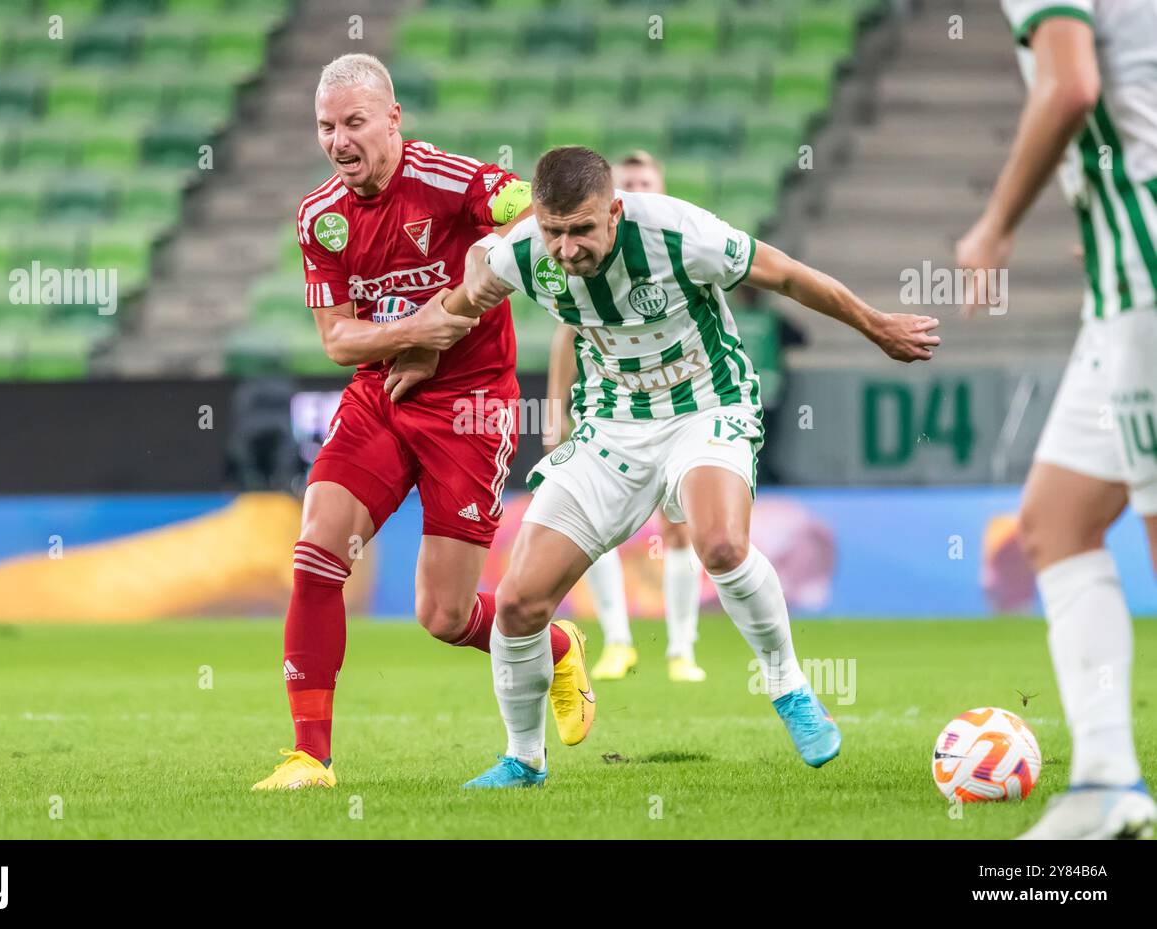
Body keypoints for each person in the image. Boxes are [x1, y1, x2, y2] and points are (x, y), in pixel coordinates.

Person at [395, 146, 939, 787]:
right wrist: (422, 352)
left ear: (614, 213)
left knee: (720, 544)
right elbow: (464, 300)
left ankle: (788, 686)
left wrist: (877, 326)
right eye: (553, 231)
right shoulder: (523, 254)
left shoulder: (680, 234)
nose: (566, 249)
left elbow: (786, 275)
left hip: (706, 406)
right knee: (517, 603)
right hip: (612, 428)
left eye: (580, 230)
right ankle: (524, 758)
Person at [252, 55, 594, 791]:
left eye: (354, 123)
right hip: (381, 397)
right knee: (316, 552)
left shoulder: (452, 182)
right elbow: (339, 340)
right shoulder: (321, 219)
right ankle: (311, 756)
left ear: (393, 118)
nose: (339, 141)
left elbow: (541, 214)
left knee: (442, 614)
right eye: (325, 127)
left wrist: (469, 291)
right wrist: (420, 332)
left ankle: (557, 644)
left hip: (470, 408)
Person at [957, 0, 1157, 838]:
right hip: (1123, 266)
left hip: (1143, 270)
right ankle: (1108, 780)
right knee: (1055, 520)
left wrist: (994, 225)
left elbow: (1070, 84)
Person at [547, 150, 708, 683]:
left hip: (681, 411)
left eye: (647, 181)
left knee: (679, 529)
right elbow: (564, 335)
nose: (639, 189)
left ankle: (682, 648)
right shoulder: (588, 259)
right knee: (597, 528)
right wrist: (555, 413)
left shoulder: (678, 248)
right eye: (630, 182)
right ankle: (617, 640)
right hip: (613, 413)